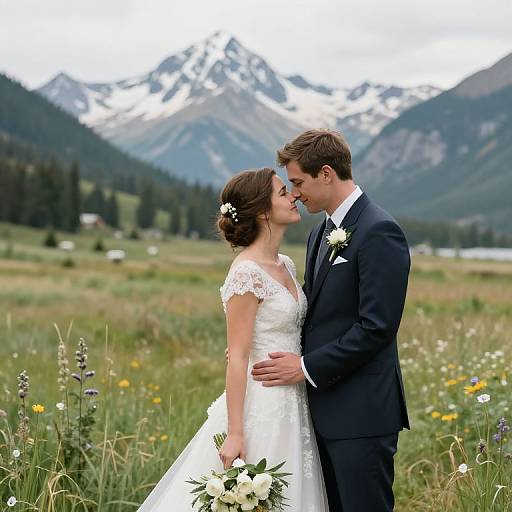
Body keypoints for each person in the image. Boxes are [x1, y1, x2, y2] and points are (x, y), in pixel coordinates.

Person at [137, 167, 328, 511]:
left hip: (295, 400)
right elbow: (238, 356)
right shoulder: (246, 273)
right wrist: (237, 432)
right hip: (263, 402)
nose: (294, 196)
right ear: (262, 211)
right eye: (283, 192)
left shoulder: (285, 264)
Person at [251, 129, 411, 512]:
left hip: (361, 415)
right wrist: (256, 341)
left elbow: (377, 328)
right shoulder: (320, 233)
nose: (295, 193)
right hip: (319, 412)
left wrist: (304, 367)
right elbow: (314, 313)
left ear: (326, 173)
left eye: (299, 182)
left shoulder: (379, 230)